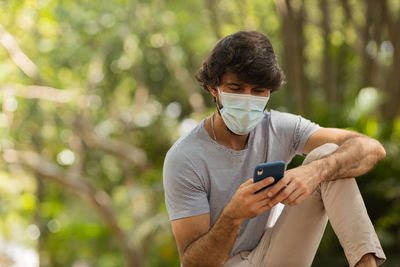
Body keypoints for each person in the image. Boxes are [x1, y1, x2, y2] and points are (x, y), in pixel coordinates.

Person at [163, 31, 386, 267]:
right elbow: (193, 264)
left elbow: (371, 148)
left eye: (258, 91)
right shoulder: (185, 157)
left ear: (269, 92)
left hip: (273, 254)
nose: (248, 100)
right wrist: (233, 216)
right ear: (213, 89)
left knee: (327, 156)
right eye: (236, 89)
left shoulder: (279, 127)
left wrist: (314, 172)